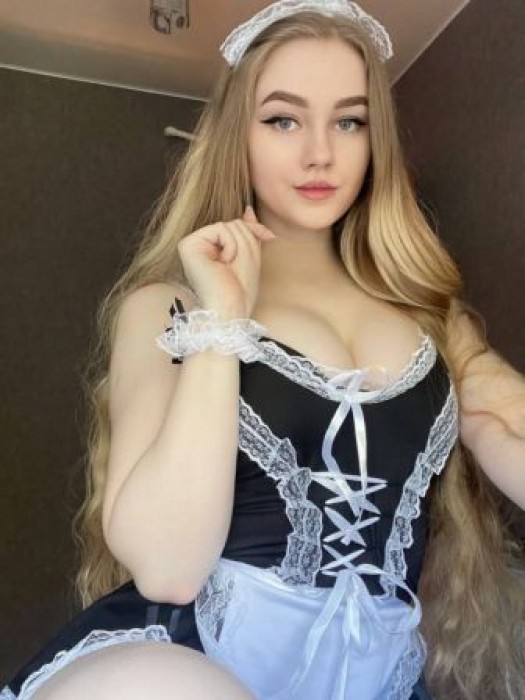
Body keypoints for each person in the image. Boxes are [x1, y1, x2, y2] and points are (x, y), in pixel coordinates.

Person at [2, 1, 524, 698]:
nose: (320, 152)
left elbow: (506, 423)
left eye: (349, 121)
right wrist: (223, 323)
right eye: (283, 119)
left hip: (372, 680)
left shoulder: (431, 319)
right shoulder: (168, 306)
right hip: (194, 662)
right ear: (236, 135)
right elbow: (167, 568)